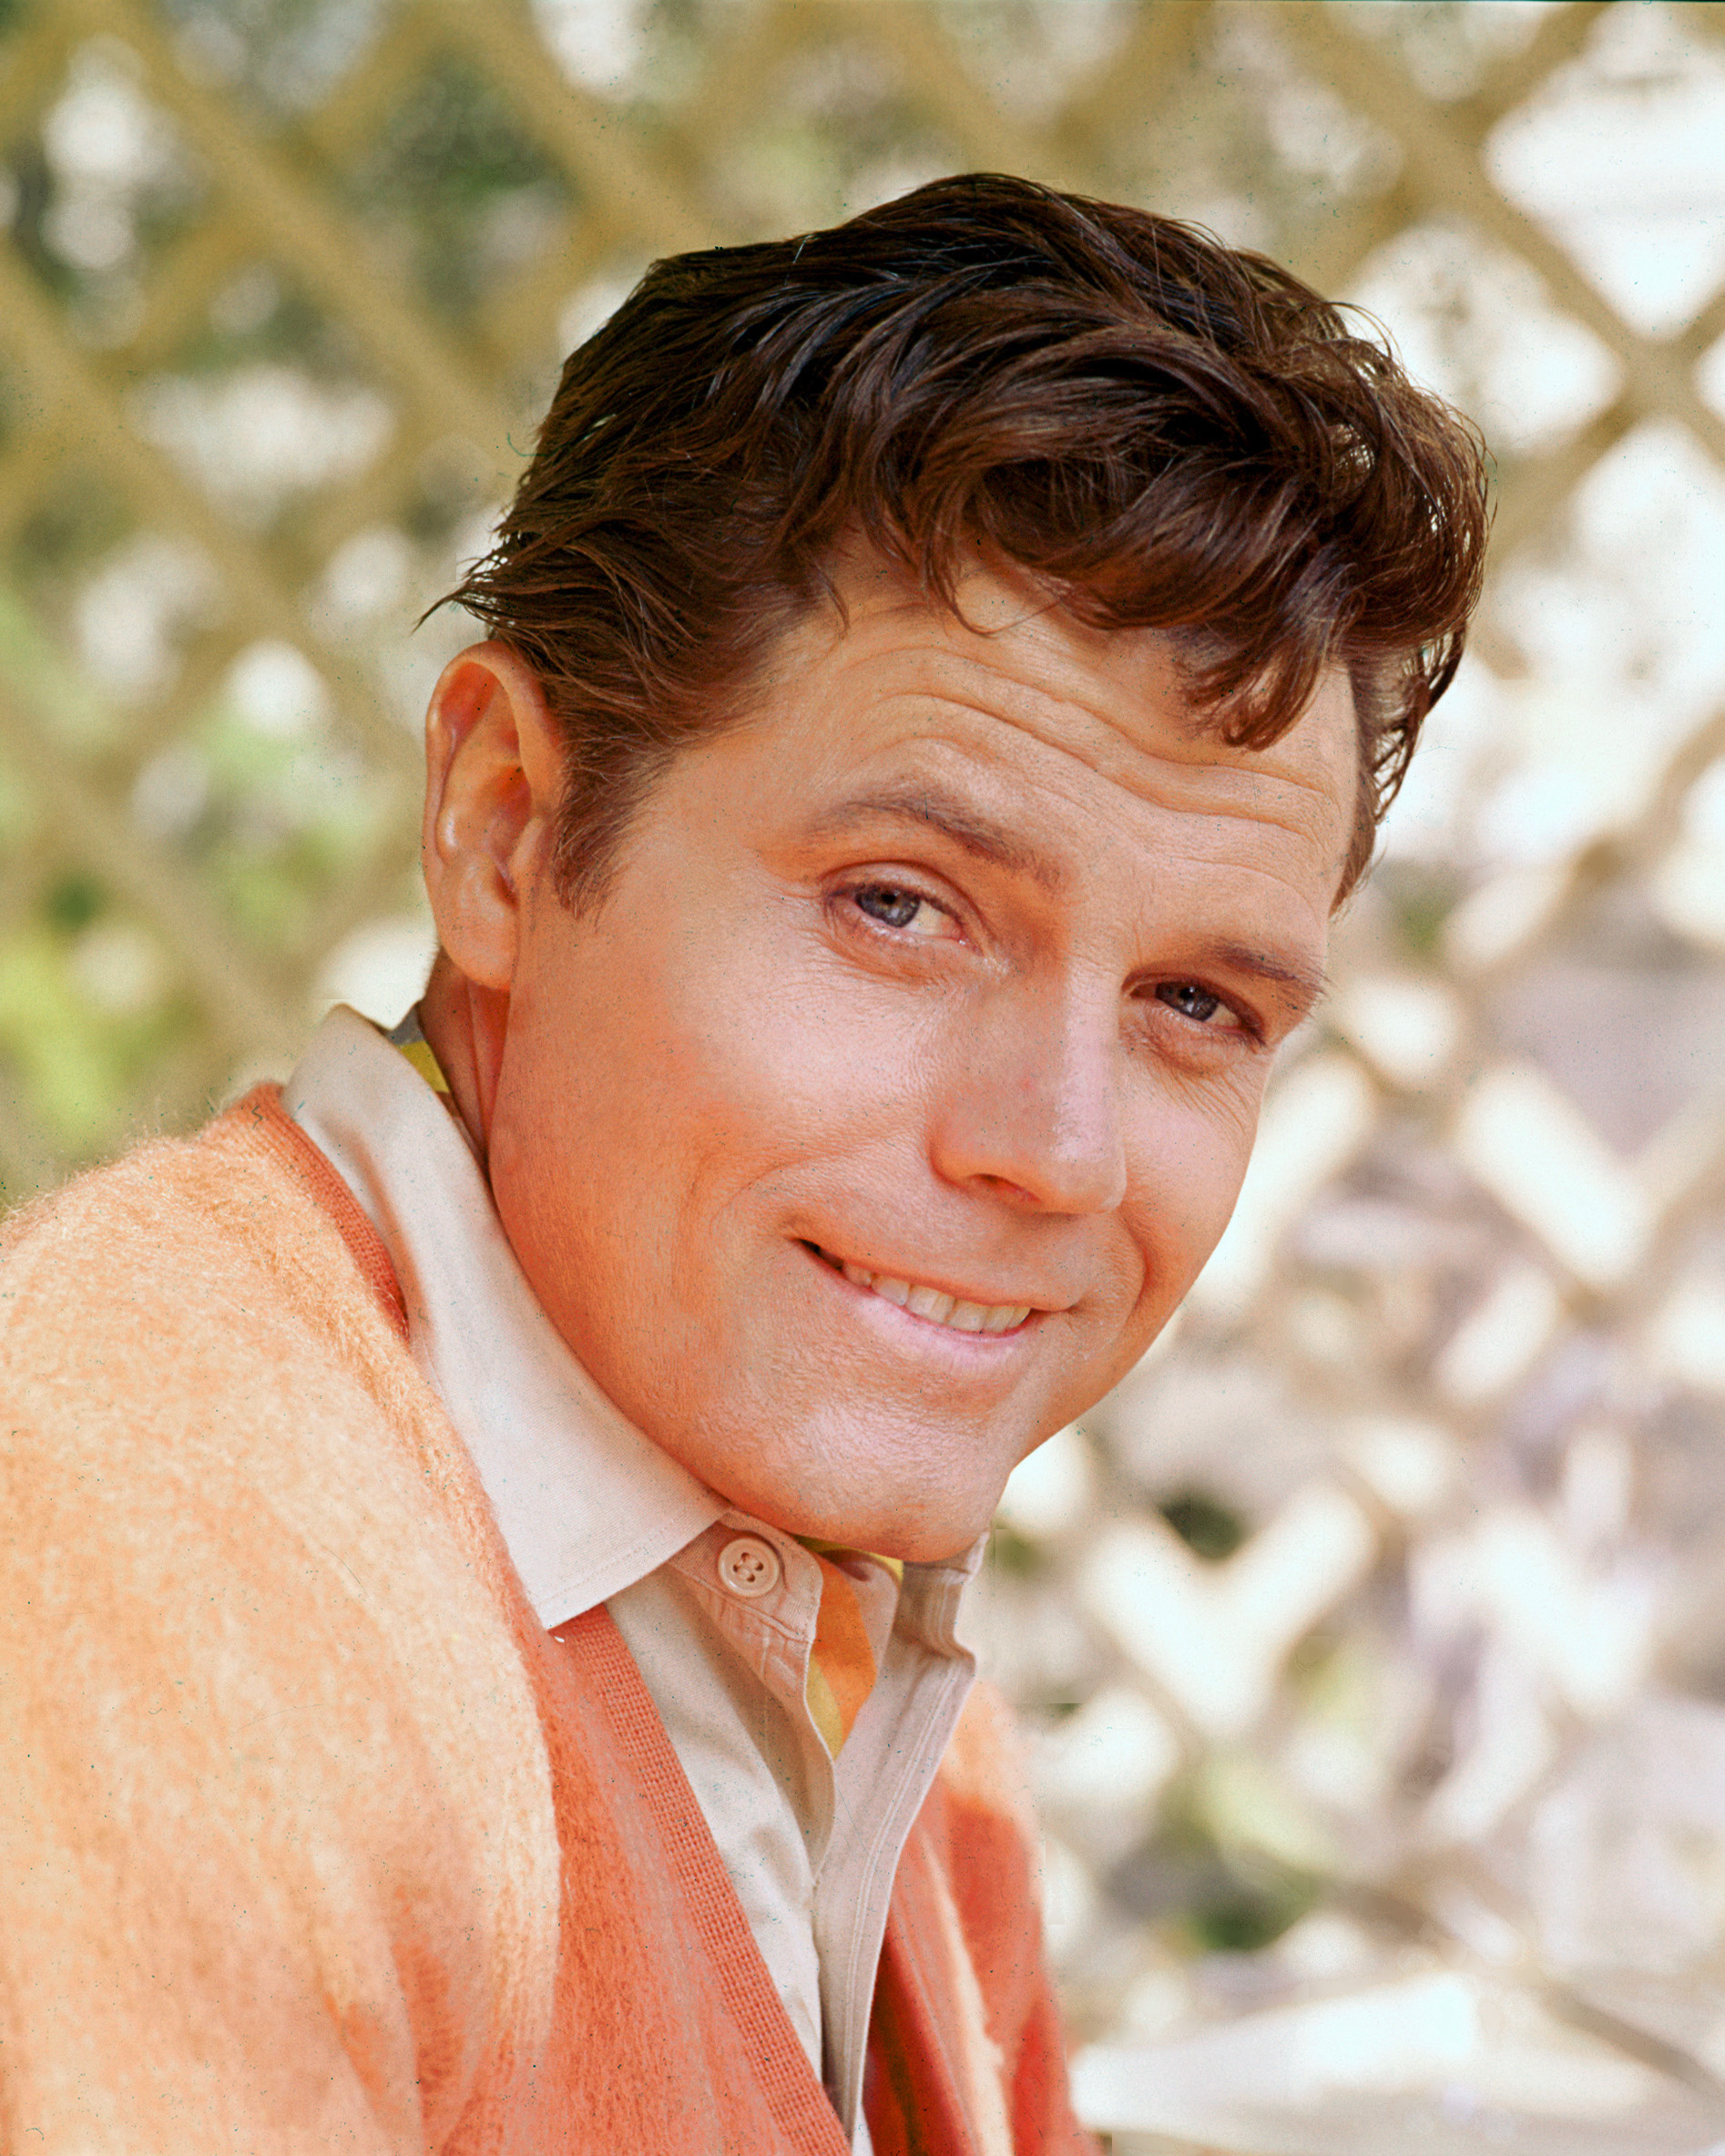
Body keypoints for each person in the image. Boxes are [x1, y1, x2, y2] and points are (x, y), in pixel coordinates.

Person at [0, 174, 1486, 2152]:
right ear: (508, 830)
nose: (1049, 1149)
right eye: (899, 904)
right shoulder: (133, 1575)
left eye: (1197, 1004)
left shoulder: (848, 1651)